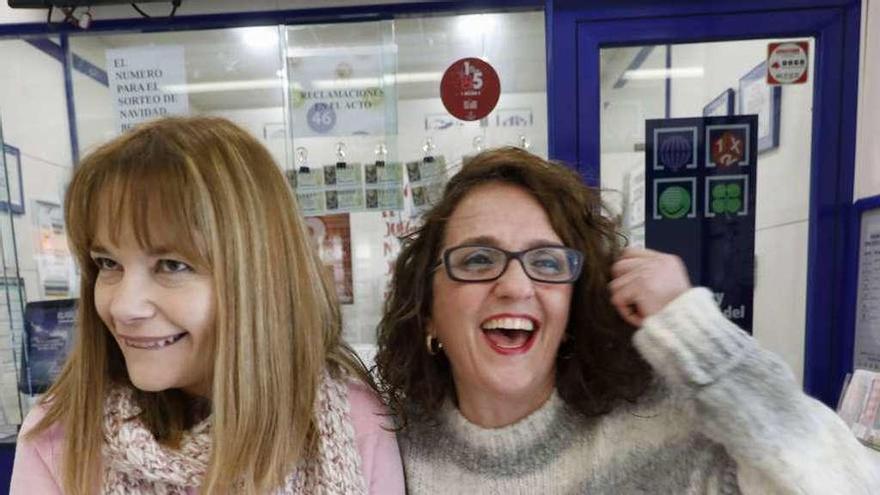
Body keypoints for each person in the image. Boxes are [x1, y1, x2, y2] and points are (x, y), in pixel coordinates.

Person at [375, 146, 880, 493]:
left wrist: (701, 339)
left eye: (548, 262)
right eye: (478, 260)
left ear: (573, 309)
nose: (515, 285)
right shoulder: (385, 454)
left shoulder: (661, 432)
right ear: (427, 313)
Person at [11, 116, 404, 494]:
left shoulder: (353, 423)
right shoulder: (59, 436)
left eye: (171, 265)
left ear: (259, 279)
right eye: (108, 263)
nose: (124, 307)